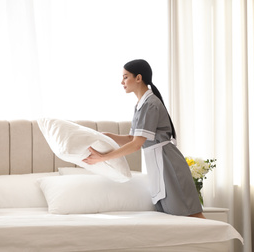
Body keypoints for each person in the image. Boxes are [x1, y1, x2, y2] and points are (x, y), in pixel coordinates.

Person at [82, 59, 205, 218]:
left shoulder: (150, 104)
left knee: (190, 215)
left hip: (168, 163)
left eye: (125, 77)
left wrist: (103, 158)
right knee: (175, 216)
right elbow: (132, 138)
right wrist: (106, 136)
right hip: (158, 163)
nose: (122, 82)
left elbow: (135, 145)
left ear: (138, 78)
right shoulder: (141, 104)